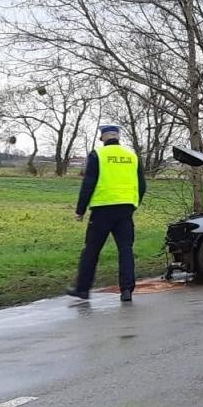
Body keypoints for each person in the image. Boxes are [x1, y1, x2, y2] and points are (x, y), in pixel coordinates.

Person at [68, 125, 146, 302]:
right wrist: (134, 204)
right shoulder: (131, 157)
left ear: (103, 138)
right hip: (125, 210)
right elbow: (142, 186)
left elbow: (88, 184)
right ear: (118, 137)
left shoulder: (98, 155)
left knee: (92, 250)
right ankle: (126, 290)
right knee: (125, 249)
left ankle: (83, 289)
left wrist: (80, 210)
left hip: (102, 210)